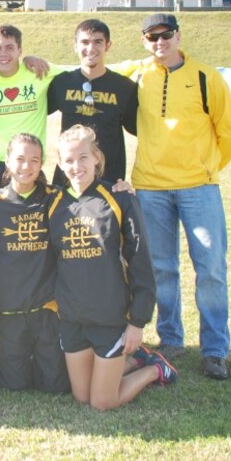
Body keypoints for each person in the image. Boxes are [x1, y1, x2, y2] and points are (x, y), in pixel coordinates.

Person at [124, 13, 231, 380]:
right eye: (152, 37)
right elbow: (90, 63)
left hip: (199, 187)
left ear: (178, 36)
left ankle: (215, 349)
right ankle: (171, 339)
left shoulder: (206, 77)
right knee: (161, 268)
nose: (160, 42)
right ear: (144, 41)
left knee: (210, 268)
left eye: (166, 35)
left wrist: (206, 168)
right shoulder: (138, 74)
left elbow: (230, 132)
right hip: (151, 186)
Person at [48, 125, 176, 410]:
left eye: (83, 157)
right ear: (59, 164)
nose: (76, 166)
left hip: (110, 317)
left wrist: (137, 322)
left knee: (102, 402)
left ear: (96, 158)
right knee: (82, 397)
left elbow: (141, 263)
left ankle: (154, 369)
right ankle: (134, 359)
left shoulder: (120, 198)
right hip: (72, 319)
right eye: (68, 160)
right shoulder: (54, 203)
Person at [0, 133, 68, 393]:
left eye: (34, 160)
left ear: (42, 163)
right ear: (7, 161)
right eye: (20, 159)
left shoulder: (54, 198)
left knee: (55, 386)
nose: (26, 166)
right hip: (9, 309)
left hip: (46, 309)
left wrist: (119, 190)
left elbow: (89, 198)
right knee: (14, 386)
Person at [0, 25, 64, 191]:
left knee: (32, 218)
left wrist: (126, 67)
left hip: (29, 166)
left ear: (20, 50)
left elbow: (82, 71)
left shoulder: (39, 71)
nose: (3, 53)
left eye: (10, 47)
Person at [47, 19, 137, 185]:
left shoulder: (124, 87)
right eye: (85, 42)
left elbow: (139, 129)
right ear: (75, 45)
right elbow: (32, 111)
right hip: (69, 179)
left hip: (109, 179)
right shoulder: (61, 83)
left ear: (108, 45)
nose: (91, 48)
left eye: (98, 42)